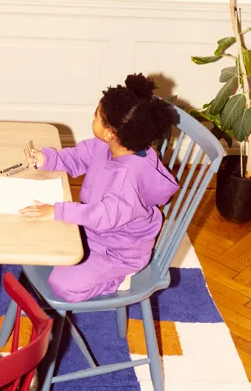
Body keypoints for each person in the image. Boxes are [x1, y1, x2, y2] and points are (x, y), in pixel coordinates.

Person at [21, 74, 180, 302]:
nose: (92, 117)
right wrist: (46, 159)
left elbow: (103, 216)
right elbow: (77, 157)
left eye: (96, 115)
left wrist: (59, 211)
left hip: (118, 253)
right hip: (94, 233)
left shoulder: (127, 179)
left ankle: (117, 280)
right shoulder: (106, 145)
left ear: (110, 133)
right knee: (35, 237)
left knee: (61, 284)